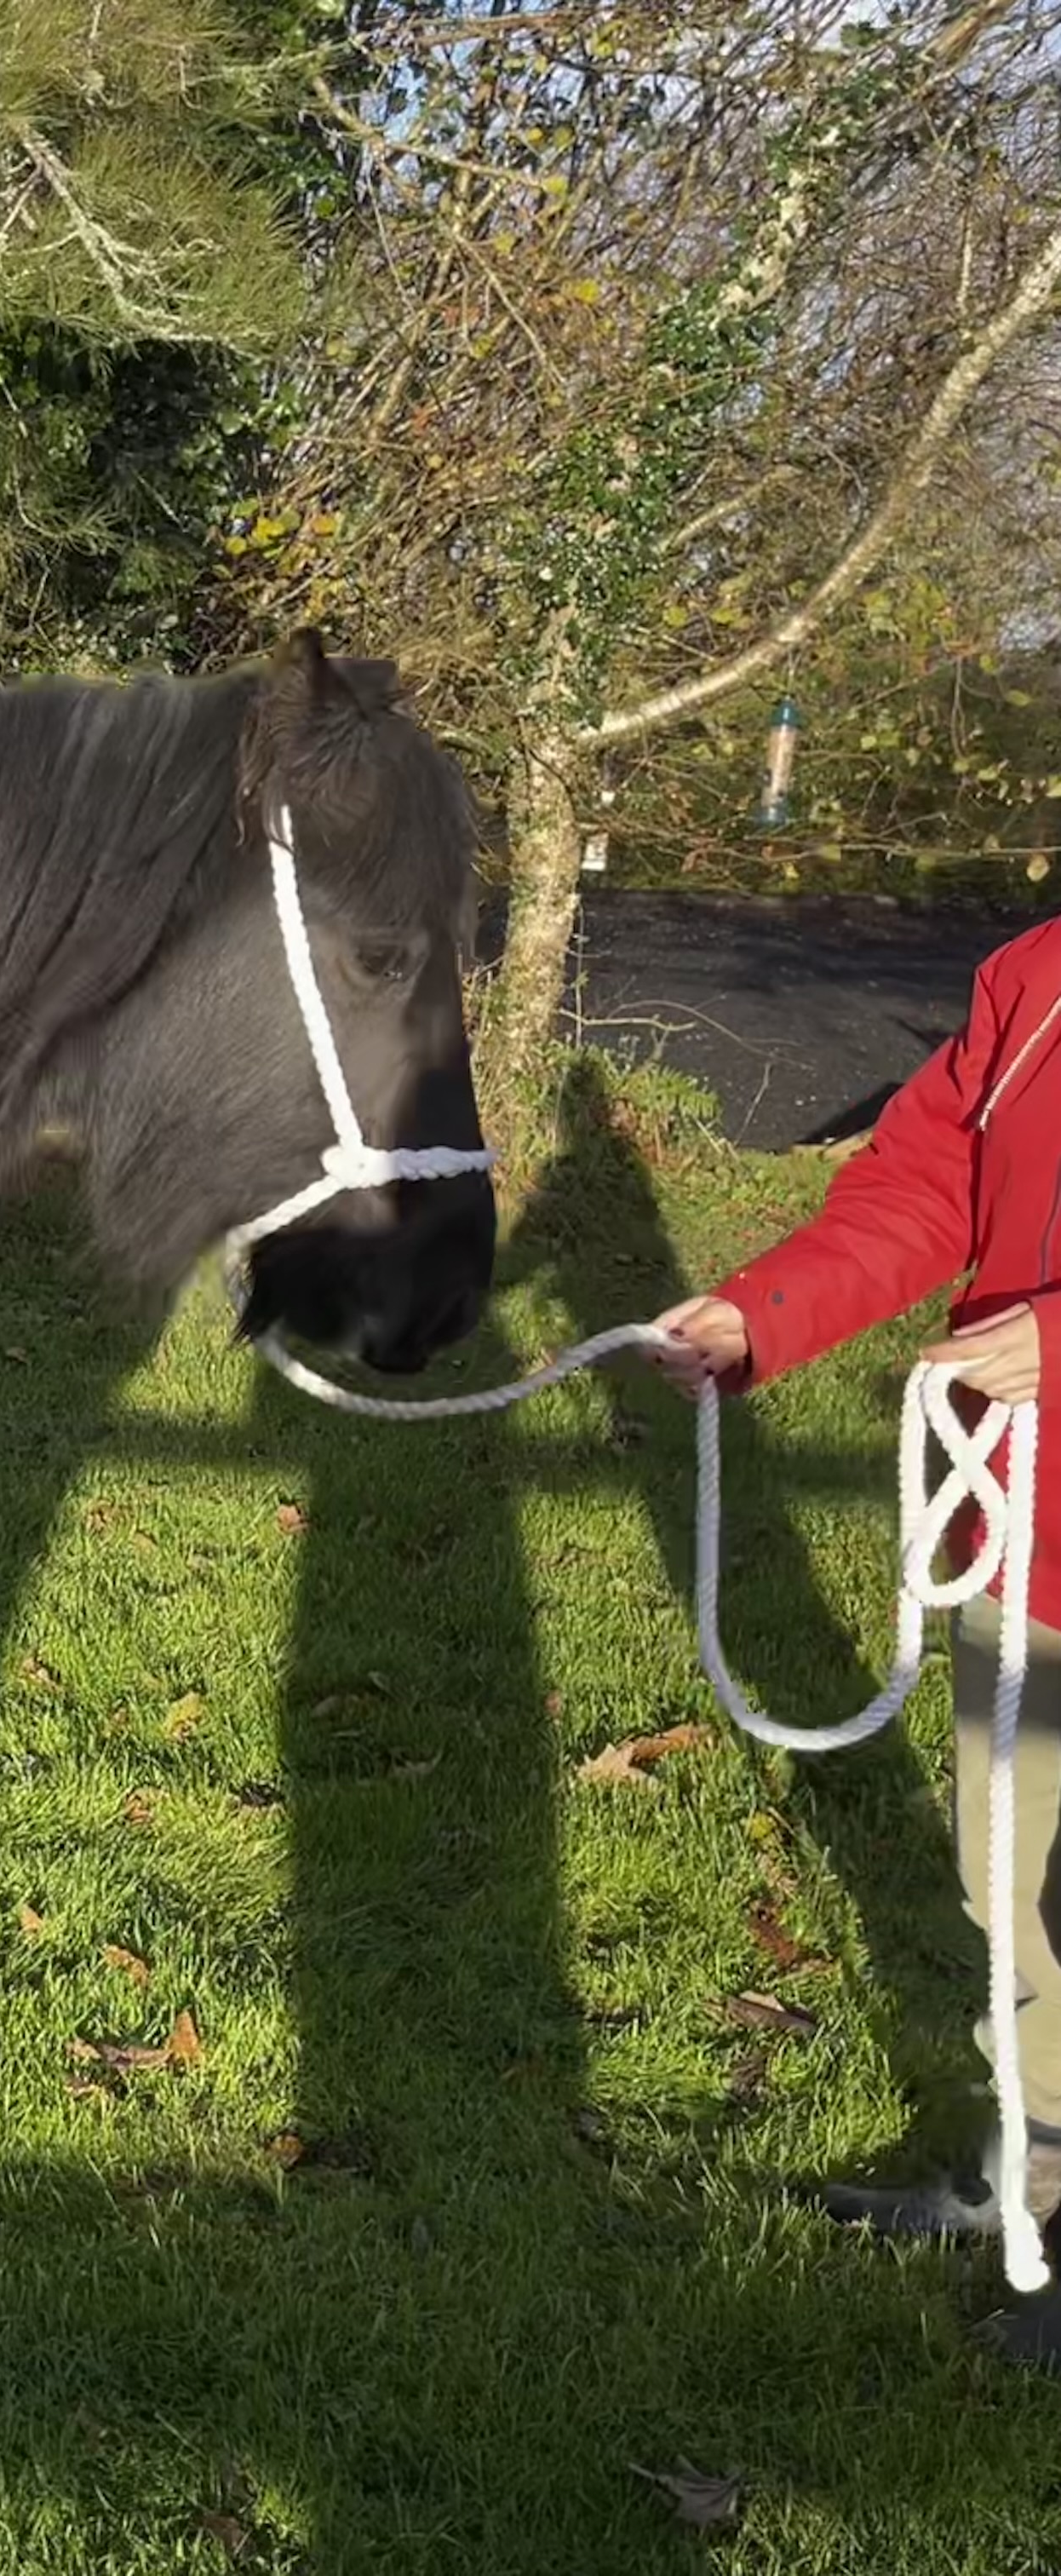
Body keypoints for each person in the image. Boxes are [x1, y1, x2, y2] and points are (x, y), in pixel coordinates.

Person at [653, 911, 1061, 2365]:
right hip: (1030, 1536)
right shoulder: (1037, 976)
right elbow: (928, 1184)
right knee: (1005, 1888)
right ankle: (1037, 2172)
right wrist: (761, 1314)